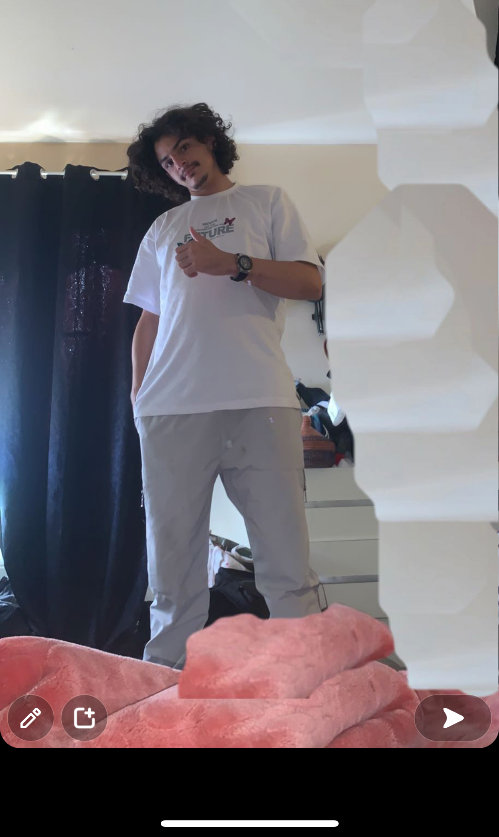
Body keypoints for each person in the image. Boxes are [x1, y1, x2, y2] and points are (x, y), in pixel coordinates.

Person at [124, 103, 325, 669]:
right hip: (170, 409)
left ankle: (306, 680)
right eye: (167, 162)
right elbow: (149, 320)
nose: (179, 164)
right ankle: (165, 682)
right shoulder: (163, 228)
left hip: (260, 400)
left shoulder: (266, 201)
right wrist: (138, 395)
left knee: (285, 556)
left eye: (184, 148)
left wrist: (234, 263)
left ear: (210, 141)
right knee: (172, 564)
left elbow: (310, 282)